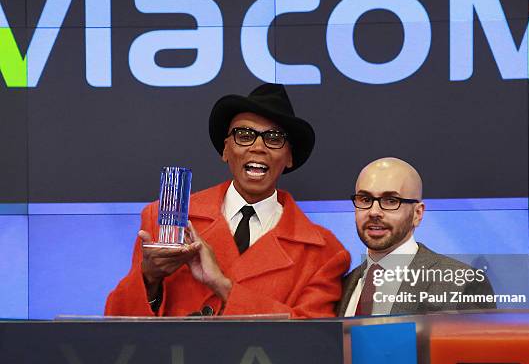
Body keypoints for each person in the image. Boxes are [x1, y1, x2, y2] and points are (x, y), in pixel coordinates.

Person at [105, 83, 350, 318]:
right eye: (244, 135)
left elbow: (314, 341)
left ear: (289, 157)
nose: (258, 147)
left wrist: (224, 287)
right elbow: (118, 331)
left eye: (273, 138)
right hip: (177, 361)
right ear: (225, 150)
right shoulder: (165, 218)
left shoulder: (324, 253)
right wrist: (149, 278)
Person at [337, 157, 495, 316]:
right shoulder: (341, 287)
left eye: (391, 201)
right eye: (365, 199)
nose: (374, 212)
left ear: (417, 214)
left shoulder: (462, 283)